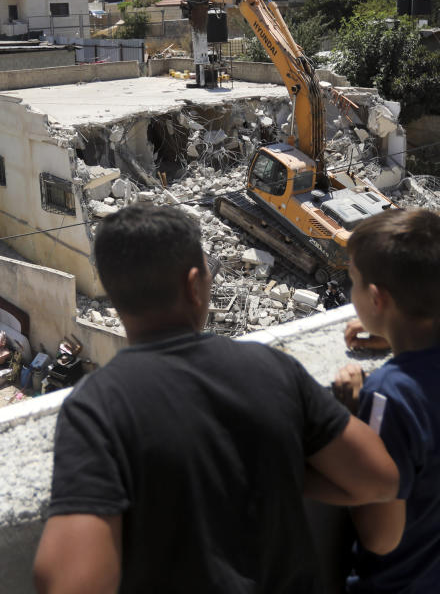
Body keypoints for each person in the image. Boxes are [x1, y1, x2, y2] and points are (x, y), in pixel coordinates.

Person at [34, 204, 400, 594]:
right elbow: (378, 481)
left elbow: (71, 580)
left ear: (113, 293)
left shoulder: (96, 408)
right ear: (195, 285)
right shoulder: (272, 368)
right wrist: (281, 466)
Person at [331, 209, 440, 593]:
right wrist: (396, 330)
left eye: (353, 281)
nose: (350, 292)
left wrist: (351, 422)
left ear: (377, 299)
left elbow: (381, 538)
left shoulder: (387, 396)